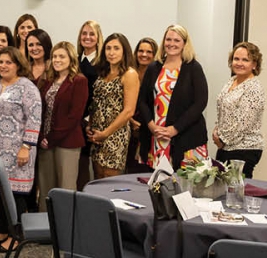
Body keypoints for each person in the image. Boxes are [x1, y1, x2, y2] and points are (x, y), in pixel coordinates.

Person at [0, 47, 42, 253]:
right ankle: (2, 230)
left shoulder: (27, 88)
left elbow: (34, 118)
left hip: (17, 150)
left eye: (8, 62)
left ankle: (16, 236)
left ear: (18, 65)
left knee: (15, 193)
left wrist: (27, 146)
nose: (3, 66)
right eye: (1, 62)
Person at [136, 25, 209, 170]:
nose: (171, 44)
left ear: (184, 43)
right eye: (168, 39)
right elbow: (142, 100)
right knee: (158, 181)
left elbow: (200, 102)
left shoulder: (193, 68)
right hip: (157, 135)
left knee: (185, 181)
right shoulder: (154, 67)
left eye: (177, 40)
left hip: (185, 136)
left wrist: (175, 129)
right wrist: (151, 126)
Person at [36, 42, 88, 209]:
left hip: (67, 142)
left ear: (71, 59)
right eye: (54, 56)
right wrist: (42, 137)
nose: (57, 60)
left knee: (66, 188)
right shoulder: (49, 80)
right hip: (45, 142)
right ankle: (44, 222)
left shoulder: (79, 81)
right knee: (46, 188)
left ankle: (66, 223)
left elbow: (74, 116)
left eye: (62, 56)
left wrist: (52, 138)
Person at [88, 34, 139, 179]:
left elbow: (129, 111)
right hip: (97, 133)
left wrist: (106, 133)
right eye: (108, 48)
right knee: (97, 176)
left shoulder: (129, 74)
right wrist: (90, 126)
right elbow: (96, 102)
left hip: (115, 134)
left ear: (124, 51)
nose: (111, 52)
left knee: (109, 178)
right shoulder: (103, 73)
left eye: (116, 48)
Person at [213, 42, 266, 178]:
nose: (239, 63)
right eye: (236, 59)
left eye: (245, 60)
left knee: (235, 189)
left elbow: (242, 123)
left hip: (244, 149)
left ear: (254, 64)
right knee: (221, 187)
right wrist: (217, 130)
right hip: (226, 146)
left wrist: (221, 139)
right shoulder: (232, 81)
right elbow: (223, 110)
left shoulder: (254, 88)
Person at [75, 20, 102, 188]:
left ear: (98, 38)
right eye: (84, 33)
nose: (87, 37)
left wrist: (88, 119)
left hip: (92, 121)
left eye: (92, 34)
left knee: (91, 167)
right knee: (77, 166)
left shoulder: (102, 63)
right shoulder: (74, 60)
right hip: (75, 120)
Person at [127, 37, 159, 172]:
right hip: (128, 126)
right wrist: (130, 120)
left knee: (145, 170)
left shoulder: (159, 76)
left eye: (149, 52)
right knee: (130, 169)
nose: (144, 55)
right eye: (141, 51)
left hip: (149, 127)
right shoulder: (128, 72)